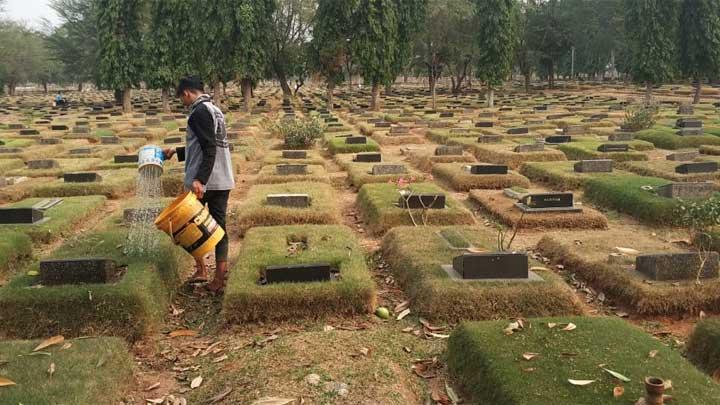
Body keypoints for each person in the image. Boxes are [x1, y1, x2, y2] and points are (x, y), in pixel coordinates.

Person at [164, 76, 234, 293]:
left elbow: (209, 148)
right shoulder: (215, 110)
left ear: (186, 93)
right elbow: (204, 144)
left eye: (181, 98)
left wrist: (199, 180)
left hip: (205, 183)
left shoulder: (197, 112)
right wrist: (177, 152)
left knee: (185, 226)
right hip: (222, 179)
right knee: (219, 228)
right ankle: (219, 278)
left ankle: (203, 270)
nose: (182, 102)